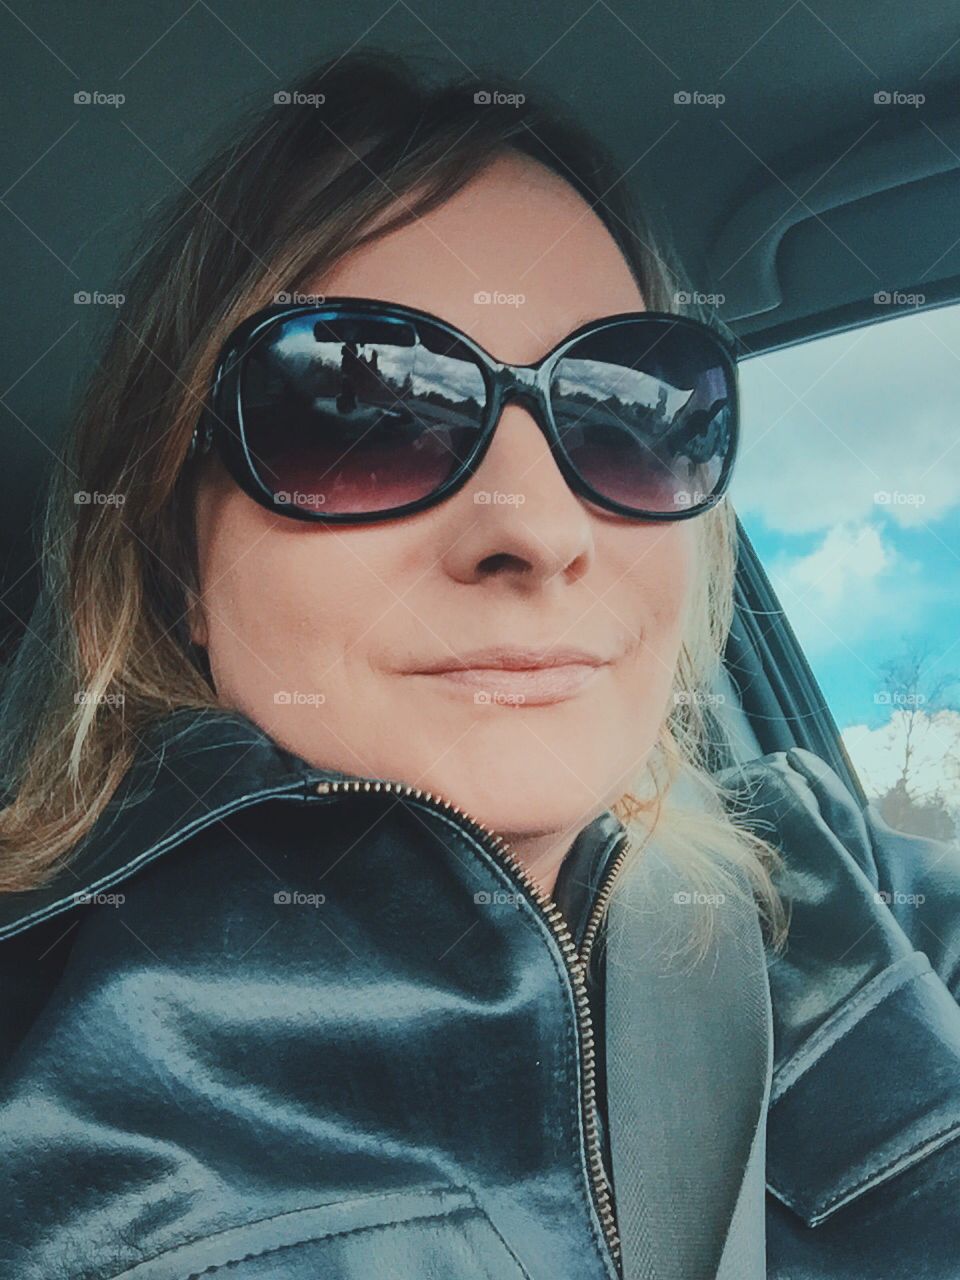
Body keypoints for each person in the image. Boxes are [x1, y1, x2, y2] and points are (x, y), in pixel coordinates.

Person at [1, 50, 958, 1280]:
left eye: (632, 411)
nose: (541, 529)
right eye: (360, 410)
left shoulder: (849, 898)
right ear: (182, 561)